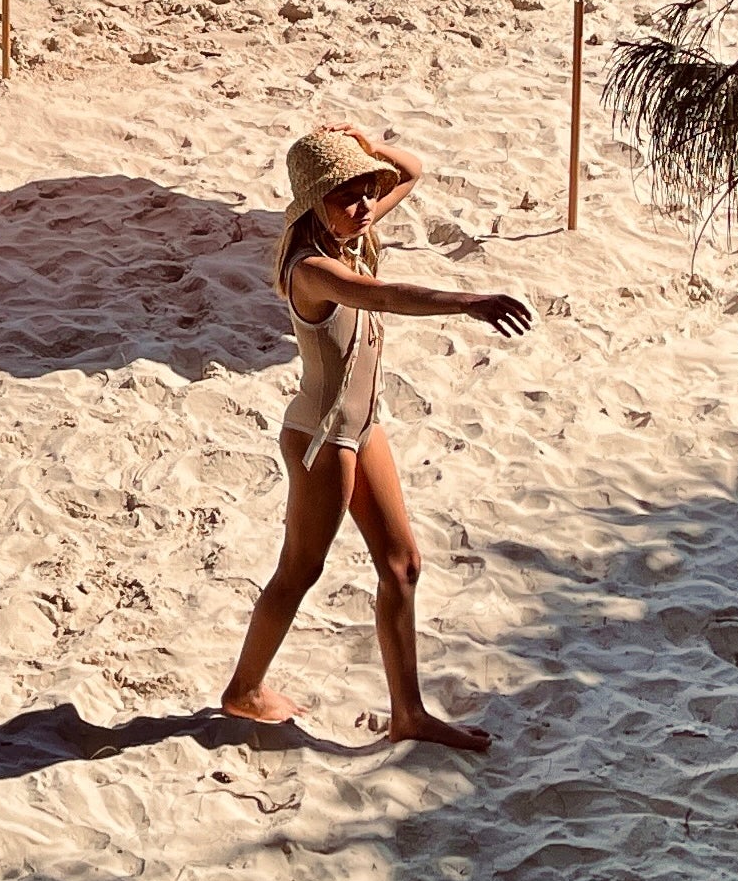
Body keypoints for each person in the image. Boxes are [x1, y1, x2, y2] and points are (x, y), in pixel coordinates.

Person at [218, 123, 533, 747]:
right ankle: (244, 690)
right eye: (348, 196)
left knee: (403, 565)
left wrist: (367, 145)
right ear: (314, 200)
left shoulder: (346, 231)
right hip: (321, 439)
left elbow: (411, 171)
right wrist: (466, 302)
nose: (363, 208)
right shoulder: (311, 266)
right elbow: (384, 296)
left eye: (367, 193)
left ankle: (408, 715)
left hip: (365, 426)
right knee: (300, 571)